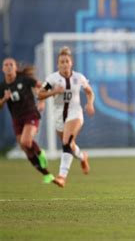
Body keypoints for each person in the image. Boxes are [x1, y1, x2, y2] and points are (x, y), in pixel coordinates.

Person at [38, 46, 95, 188]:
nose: (64, 64)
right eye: (61, 62)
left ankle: (62, 176)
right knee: (69, 144)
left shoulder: (79, 77)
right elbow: (40, 94)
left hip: (75, 113)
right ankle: (82, 157)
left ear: (71, 63)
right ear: (58, 64)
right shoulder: (52, 78)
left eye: (67, 61)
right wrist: (54, 92)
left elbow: (89, 91)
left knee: (66, 142)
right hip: (58, 116)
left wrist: (89, 103)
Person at [0, 57, 55, 184]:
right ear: (2, 69)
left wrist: (42, 102)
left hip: (30, 114)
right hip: (17, 119)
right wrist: (4, 99)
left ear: (15, 67)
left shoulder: (24, 80)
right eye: (6, 65)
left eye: (11, 64)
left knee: (26, 141)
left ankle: (41, 153)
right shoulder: (2, 86)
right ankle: (46, 174)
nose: (8, 67)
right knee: (25, 148)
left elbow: (42, 86)